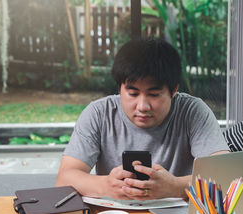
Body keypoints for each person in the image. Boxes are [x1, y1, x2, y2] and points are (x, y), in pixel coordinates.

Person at [56, 37, 229, 200]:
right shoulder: (99, 113)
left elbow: (225, 176)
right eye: (132, 93)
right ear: (120, 88)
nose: (142, 106)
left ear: (174, 90)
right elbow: (64, 179)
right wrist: (107, 186)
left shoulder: (193, 111)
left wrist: (174, 187)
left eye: (153, 94)